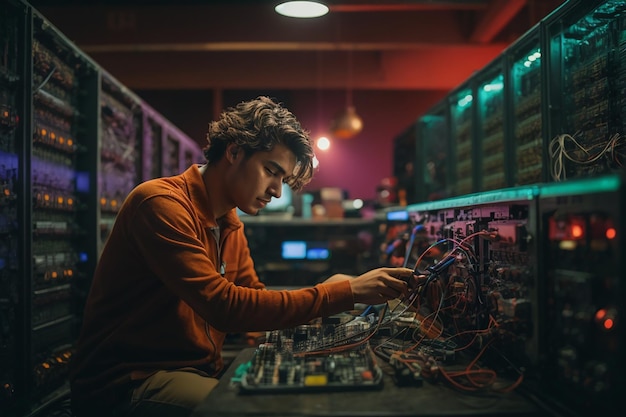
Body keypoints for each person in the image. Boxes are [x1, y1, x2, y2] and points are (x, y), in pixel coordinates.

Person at [69, 96, 414, 417]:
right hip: (130, 382)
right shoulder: (160, 204)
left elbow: (254, 302)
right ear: (234, 152)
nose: (278, 190)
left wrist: (330, 299)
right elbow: (224, 306)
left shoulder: (229, 224)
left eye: (283, 179)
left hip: (192, 370)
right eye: (272, 171)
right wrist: (341, 294)